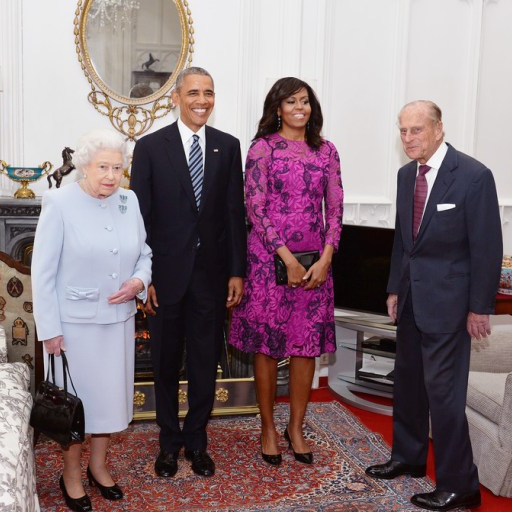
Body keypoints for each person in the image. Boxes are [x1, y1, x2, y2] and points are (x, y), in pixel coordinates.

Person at [364, 100, 502, 511]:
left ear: (439, 129)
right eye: (402, 131)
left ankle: (461, 486)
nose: (408, 138)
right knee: (406, 385)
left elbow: (487, 247)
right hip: (409, 300)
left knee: (443, 397)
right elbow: (402, 242)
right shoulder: (407, 175)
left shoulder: (474, 176)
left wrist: (480, 307)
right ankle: (407, 458)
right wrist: (393, 289)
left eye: (416, 130)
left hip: (450, 305)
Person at [130, 67, 247, 478]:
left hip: (212, 278)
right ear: (176, 97)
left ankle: (197, 441)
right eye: (194, 92)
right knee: (163, 364)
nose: (202, 100)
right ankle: (168, 443)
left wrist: (237, 271)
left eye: (209, 93)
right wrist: (145, 278)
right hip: (164, 277)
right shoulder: (149, 148)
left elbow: (235, 214)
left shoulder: (227, 147)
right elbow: (139, 220)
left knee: (203, 362)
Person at [32, 128, 152, 511]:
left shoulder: (128, 200)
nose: (111, 176)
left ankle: (99, 467)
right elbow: (43, 272)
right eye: (103, 167)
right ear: (84, 165)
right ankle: (70, 475)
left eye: (118, 167)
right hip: (74, 328)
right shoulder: (59, 201)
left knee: (107, 403)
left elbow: (144, 253)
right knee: (77, 406)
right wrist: (49, 330)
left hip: (118, 321)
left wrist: (139, 281)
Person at [228, 77, 343, 466]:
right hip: (266, 260)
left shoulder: (326, 151)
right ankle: (267, 427)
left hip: (316, 264)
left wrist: (326, 257)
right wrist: (287, 258)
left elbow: (336, 208)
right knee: (267, 344)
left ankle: (296, 426)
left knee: (305, 345)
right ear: (277, 107)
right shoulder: (262, 149)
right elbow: (254, 207)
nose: (300, 108)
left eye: (305, 101)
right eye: (291, 101)